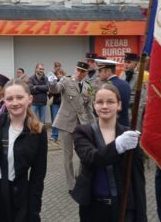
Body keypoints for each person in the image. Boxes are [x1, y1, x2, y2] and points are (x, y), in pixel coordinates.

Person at [0, 79, 48, 222]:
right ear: (4, 101)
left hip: (17, 194)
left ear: (30, 99)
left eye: (20, 97)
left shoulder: (38, 131)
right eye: (10, 98)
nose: (15, 102)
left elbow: (38, 176)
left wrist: (34, 211)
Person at [72, 84, 146, 222]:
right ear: (94, 105)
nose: (104, 106)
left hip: (124, 207)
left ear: (119, 105)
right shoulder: (82, 132)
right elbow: (92, 158)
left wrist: (141, 215)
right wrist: (118, 145)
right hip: (93, 209)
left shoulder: (129, 136)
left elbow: (138, 179)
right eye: (100, 102)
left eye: (110, 102)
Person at [48, 61, 95, 192]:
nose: (80, 73)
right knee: (67, 156)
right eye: (78, 70)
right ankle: (71, 184)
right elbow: (56, 89)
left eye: (83, 71)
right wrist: (51, 83)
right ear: (75, 69)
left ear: (86, 73)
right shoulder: (66, 81)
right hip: (66, 123)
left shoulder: (87, 87)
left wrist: (93, 126)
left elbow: (89, 108)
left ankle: (80, 177)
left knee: (83, 154)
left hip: (81, 125)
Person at [49, 69, 65, 142]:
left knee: (63, 120)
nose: (59, 75)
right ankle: (54, 135)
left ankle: (62, 136)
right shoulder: (53, 82)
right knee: (55, 119)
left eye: (60, 74)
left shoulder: (65, 82)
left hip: (63, 103)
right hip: (55, 103)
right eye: (58, 74)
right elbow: (49, 91)